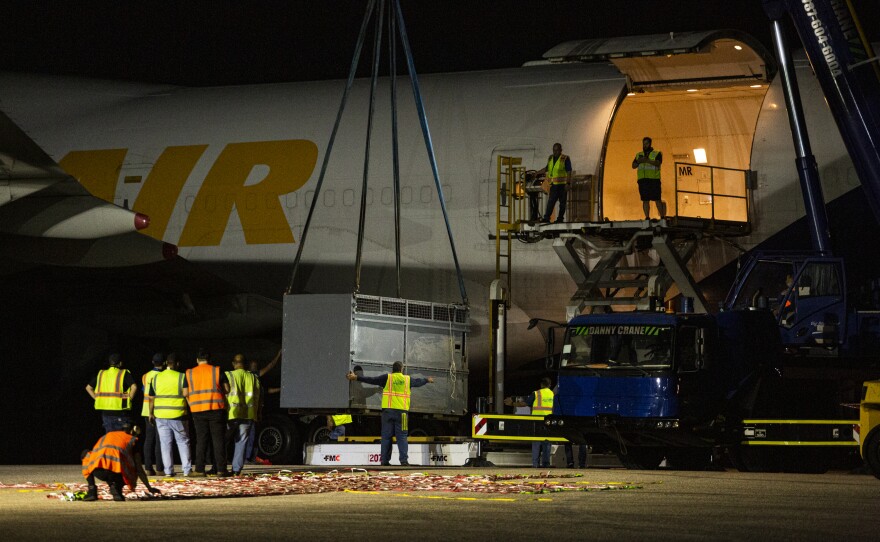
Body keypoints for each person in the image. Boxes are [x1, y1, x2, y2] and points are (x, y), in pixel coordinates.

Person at [346, 361, 434, 466]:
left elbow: (372, 380)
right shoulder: (407, 379)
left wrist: (356, 378)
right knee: (402, 437)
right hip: (402, 414)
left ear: (393, 369)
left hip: (387, 412)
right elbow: (419, 382)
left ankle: (384, 461)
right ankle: (404, 461)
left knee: (386, 437)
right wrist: (427, 380)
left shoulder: (387, 378)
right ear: (401, 369)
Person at [80, 424, 161, 501]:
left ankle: (92, 489)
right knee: (130, 465)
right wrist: (149, 487)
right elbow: (139, 469)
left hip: (98, 471)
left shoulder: (108, 435)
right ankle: (116, 487)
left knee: (86, 454)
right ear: (134, 431)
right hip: (117, 474)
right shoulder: (133, 440)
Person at [185, 348, 229, 477]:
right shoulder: (217, 370)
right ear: (209, 360)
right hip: (216, 409)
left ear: (197, 360)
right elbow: (227, 389)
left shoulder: (189, 373)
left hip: (198, 411)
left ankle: (199, 469)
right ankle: (221, 470)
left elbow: (185, 393)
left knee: (201, 440)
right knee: (218, 440)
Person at [149, 353, 192, 477]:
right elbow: (186, 394)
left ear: (166, 363)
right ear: (177, 363)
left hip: (160, 415)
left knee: (165, 443)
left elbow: (151, 398)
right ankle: (187, 470)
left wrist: (151, 413)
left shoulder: (156, 378)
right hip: (178, 415)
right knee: (183, 442)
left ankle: (168, 471)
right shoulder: (181, 377)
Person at [505, 377, 555, 468]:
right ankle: (546, 465)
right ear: (550, 385)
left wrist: (512, 404)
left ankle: (535, 465)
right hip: (549, 421)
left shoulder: (536, 393)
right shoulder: (552, 394)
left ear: (541, 384)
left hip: (537, 421)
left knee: (536, 443)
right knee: (547, 443)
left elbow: (525, 404)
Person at [226, 355, 261, 476]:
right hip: (248, 414)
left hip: (232, 413)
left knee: (224, 441)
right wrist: (256, 414)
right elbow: (257, 397)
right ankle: (236, 470)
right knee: (241, 442)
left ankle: (220, 466)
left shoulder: (229, 375)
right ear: (245, 364)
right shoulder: (253, 377)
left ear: (233, 363)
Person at [244, 349, 281, 465]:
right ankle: (247, 458)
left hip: (252, 412)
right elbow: (270, 366)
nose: (256, 369)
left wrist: (280, 389)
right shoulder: (252, 376)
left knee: (251, 437)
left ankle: (250, 457)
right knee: (250, 437)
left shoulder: (255, 381)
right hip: (249, 413)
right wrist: (278, 355)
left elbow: (266, 391)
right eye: (254, 367)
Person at [85, 352, 137, 433]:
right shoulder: (123, 373)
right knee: (122, 439)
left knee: (110, 439)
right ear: (120, 363)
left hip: (106, 413)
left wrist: (97, 398)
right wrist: (129, 399)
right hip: (120, 411)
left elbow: (88, 388)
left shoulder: (101, 374)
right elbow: (134, 387)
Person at [139, 353, 165, 475]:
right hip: (158, 410)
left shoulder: (145, 376)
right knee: (160, 440)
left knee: (149, 439)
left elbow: (145, 391)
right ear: (164, 363)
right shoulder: (163, 376)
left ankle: (148, 468)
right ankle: (160, 468)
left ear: (152, 362)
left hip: (145, 410)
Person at [537, 142, 572, 223]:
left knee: (562, 203)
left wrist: (568, 183)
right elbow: (547, 168)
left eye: (557, 150)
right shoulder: (550, 158)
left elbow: (569, 171)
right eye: (554, 150)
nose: (555, 152)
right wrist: (537, 173)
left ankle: (560, 219)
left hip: (562, 185)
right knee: (551, 202)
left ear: (560, 150)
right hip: (554, 185)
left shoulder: (565, 158)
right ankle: (546, 218)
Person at [632, 136, 666, 220]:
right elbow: (633, 166)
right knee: (645, 200)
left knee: (657, 199)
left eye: (646, 143)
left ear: (650, 144)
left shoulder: (657, 153)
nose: (644, 145)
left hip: (654, 180)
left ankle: (662, 217)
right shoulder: (639, 154)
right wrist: (639, 161)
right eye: (643, 143)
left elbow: (658, 163)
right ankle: (647, 217)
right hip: (643, 181)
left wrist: (647, 160)